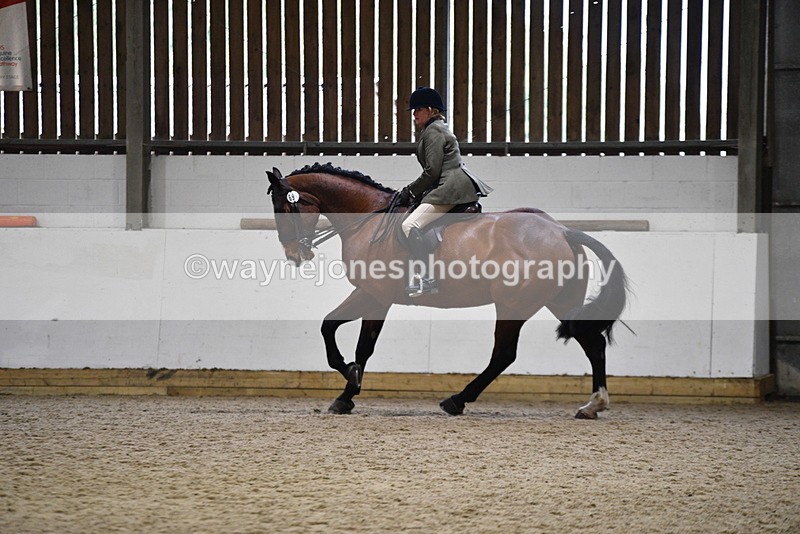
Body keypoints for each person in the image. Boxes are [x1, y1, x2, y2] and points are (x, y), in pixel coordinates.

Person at [398, 87, 493, 297]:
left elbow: (432, 171)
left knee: (409, 224)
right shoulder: (435, 129)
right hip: (448, 184)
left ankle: (426, 278)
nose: (414, 115)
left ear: (431, 110)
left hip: (450, 188)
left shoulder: (434, 132)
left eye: (418, 110)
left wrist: (410, 190)